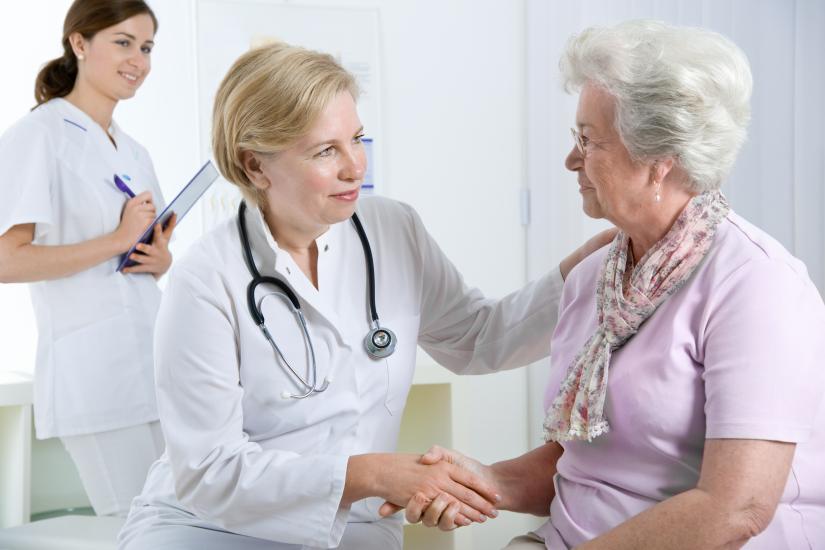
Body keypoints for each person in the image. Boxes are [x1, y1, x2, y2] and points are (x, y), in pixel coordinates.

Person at [117, 42, 613, 549]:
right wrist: (371, 473)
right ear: (255, 167)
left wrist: (590, 266)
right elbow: (209, 472)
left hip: (356, 526)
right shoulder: (206, 278)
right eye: (325, 150)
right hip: (206, 525)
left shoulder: (392, 229)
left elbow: (477, 338)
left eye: (356, 138)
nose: (355, 166)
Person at [401, 19, 825, 549]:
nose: (571, 159)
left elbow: (735, 509)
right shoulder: (594, 277)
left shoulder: (757, 287)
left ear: (657, 162)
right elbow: (585, 464)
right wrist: (486, 482)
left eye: (588, 139)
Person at [0, 0, 175, 517]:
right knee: (140, 526)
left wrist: (158, 258)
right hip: (93, 374)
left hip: (154, 363)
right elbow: (7, 260)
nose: (138, 60)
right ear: (79, 44)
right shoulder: (38, 136)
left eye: (146, 48)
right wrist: (115, 240)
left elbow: (144, 249)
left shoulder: (133, 149)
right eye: (122, 43)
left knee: (186, 524)